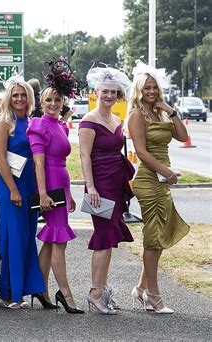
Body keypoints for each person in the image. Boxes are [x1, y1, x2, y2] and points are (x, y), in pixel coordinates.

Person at [127, 62, 189, 314]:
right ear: (139, 91)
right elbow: (141, 152)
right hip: (148, 181)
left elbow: (183, 137)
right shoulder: (136, 115)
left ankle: (141, 289)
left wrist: (171, 111)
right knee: (153, 239)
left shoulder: (160, 113)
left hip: (162, 181)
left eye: (154, 87)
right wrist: (167, 172)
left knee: (159, 237)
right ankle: (153, 295)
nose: (151, 92)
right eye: (146, 88)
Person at [26, 57, 85, 313]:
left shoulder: (60, 125)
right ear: (41, 102)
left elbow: (61, 163)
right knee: (59, 239)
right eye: (48, 100)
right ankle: (67, 294)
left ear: (63, 104)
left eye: (57, 101)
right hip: (47, 186)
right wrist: (42, 194)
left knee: (51, 241)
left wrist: (69, 194)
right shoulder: (38, 126)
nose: (53, 104)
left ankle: (41, 288)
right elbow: (39, 164)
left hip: (60, 184)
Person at [79, 66, 135, 314]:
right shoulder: (88, 120)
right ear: (96, 92)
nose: (109, 96)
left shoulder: (116, 120)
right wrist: (90, 186)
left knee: (110, 239)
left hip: (116, 181)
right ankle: (95, 292)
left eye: (113, 92)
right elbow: (84, 156)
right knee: (103, 237)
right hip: (99, 185)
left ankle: (103, 287)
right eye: (105, 91)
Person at [0, 74, 45, 309]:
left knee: (26, 238)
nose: (20, 98)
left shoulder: (33, 121)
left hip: (31, 185)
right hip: (11, 186)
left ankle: (24, 288)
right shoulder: (5, 122)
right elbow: (0, 157)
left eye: (24, 95)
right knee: (12, 238)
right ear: (8, 98)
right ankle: (10, 293)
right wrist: (13, 189)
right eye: (15, 95)